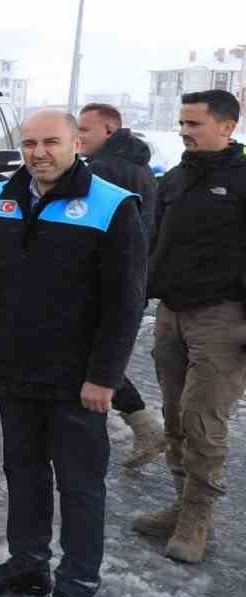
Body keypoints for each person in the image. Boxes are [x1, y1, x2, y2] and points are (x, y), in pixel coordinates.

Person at [0, 110, 146, 597]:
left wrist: (105, 377)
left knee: (80, 484)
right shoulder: (5, 197)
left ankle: (76, 585)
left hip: (77, 378)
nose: (38, 152)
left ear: (75, 143)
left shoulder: (111, 205)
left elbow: (125, 303)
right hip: (16, 366)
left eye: (50, 141)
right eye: (29, 143)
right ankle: (28, 562)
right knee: (23, 471)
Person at [133, 90, 246, 563]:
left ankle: (198, 516)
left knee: (204, 420)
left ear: (227, 126)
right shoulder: (177, 178)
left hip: (224, 317)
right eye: (182, 123)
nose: (185, 131)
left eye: (195, 124)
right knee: (177, 414)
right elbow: (155, 241)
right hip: (171, 313)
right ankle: (181, 501)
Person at [78, 102, 166, 467]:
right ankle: (144, 426)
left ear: (109, 131)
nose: (78, 137)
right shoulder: (138, 166)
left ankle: (143, 427)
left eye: (85, 130)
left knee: (90, 356)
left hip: (104, 282)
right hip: (127, 278)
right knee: (95, 355)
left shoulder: (105, 170)